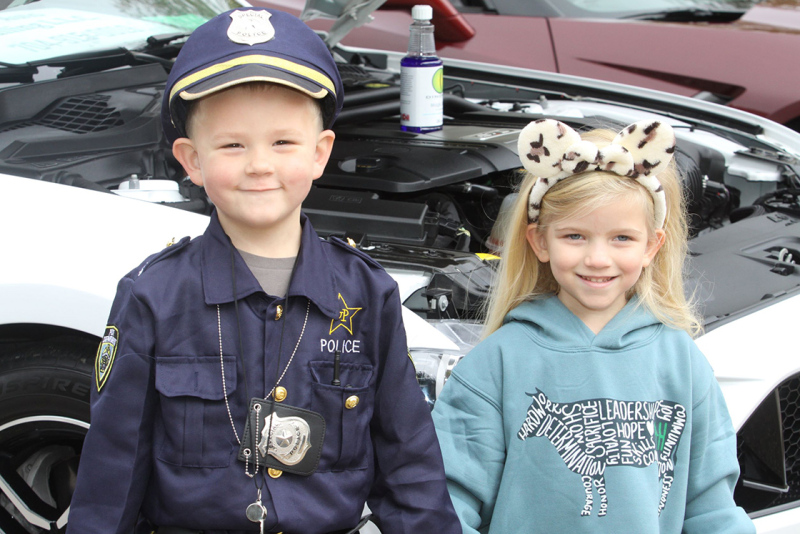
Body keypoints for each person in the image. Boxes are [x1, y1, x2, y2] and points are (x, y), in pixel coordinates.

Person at [66, 7, 460, 534]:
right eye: (232, 144)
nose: (259, 164)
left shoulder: (367, 291)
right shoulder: (154, 295)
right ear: (191, 160)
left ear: (321, 154)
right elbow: (112, 470)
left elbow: (408, 464)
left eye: (283, 142)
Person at [431, 118, 755, 533]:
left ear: (651, 246)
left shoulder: (683, 363)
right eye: (575, 236)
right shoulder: (496, 363)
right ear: (540, 242)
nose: (598, 258)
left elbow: (711, 509)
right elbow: (447, 503)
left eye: (621, 238)